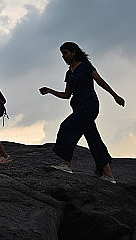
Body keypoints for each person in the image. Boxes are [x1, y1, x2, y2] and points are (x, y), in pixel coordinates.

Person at [39, 42, 125, 183]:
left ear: (74, 52)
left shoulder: (85, 66)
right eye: (62, 54)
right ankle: (109, 175)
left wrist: (115, 95)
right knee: (93, 138)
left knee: (66, 126)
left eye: (65, 53)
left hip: (89, 106)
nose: (63, 56)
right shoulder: (69, 73)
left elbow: (99, 81)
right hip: (78, 107)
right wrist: (50, 91)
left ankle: (66, 163)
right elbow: (67, 95)